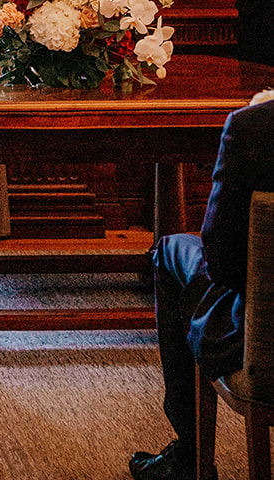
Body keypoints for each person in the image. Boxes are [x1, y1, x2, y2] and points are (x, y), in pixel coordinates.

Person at [129, 91, 274, 480]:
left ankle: (189, 458)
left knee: (171, 250)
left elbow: (222, 265)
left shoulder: (255, 127)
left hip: (263, 341)